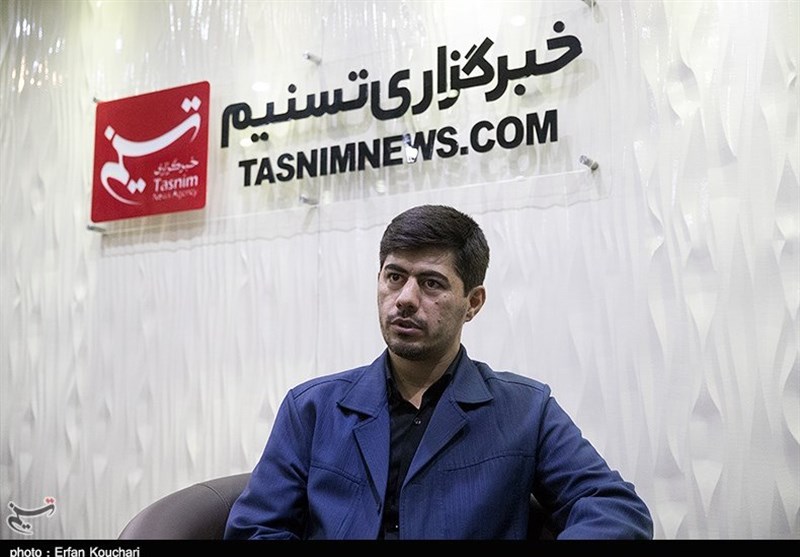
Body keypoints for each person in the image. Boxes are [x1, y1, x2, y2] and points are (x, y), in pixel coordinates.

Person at [224, 204, 654, 540]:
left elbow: (614, 509)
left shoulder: (525, 410)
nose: (405, 299)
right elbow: (255, 529)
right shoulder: (313, 408)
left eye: (431, 283)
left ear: (473, 302)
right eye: (395, 277)